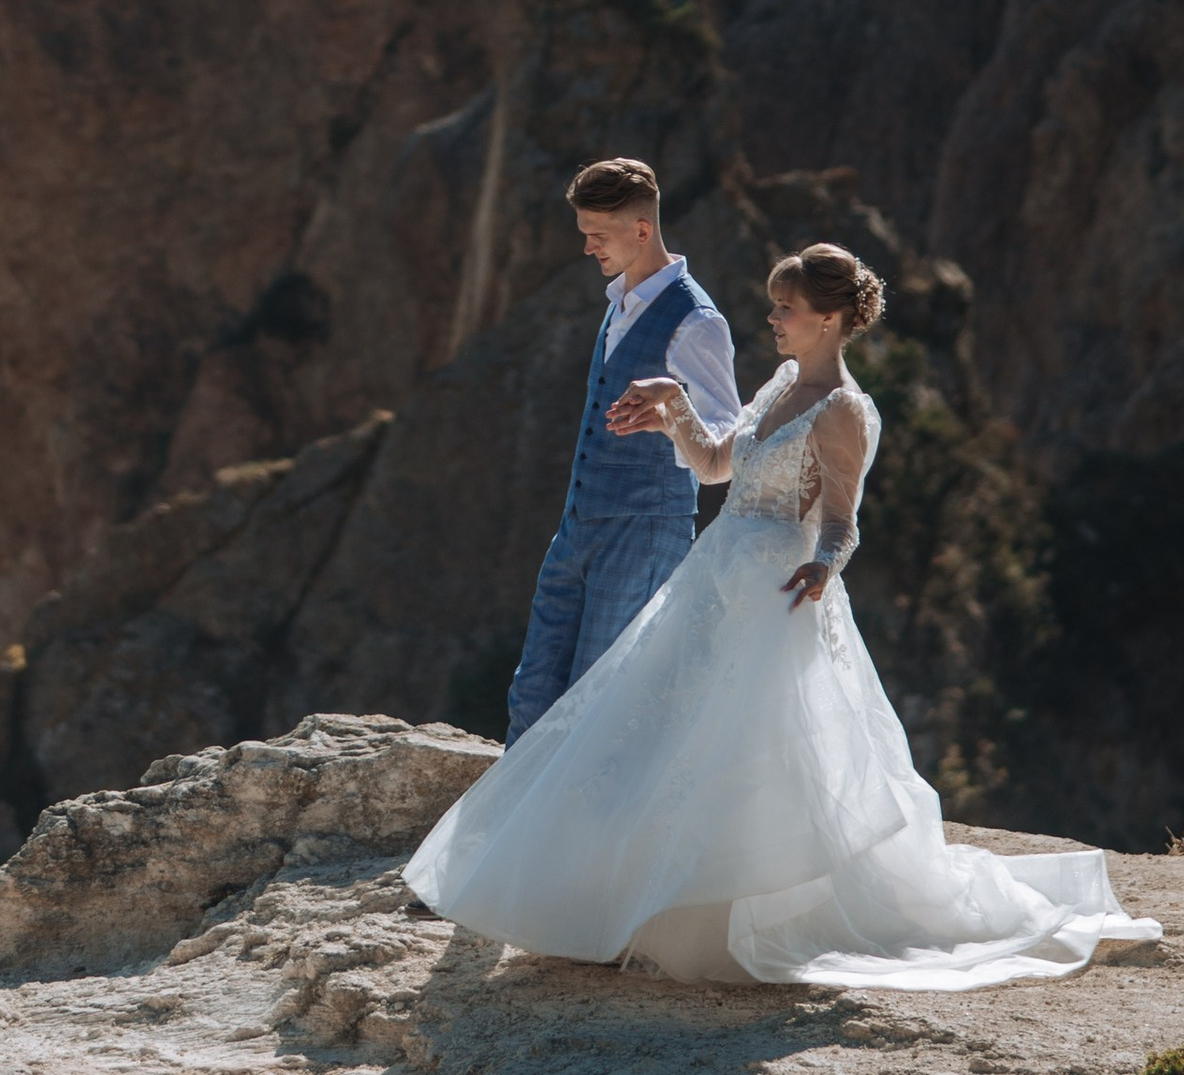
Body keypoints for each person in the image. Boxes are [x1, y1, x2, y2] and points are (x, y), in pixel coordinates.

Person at [406, 242, 1158, 987]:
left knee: (750, 757)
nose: (772, 316)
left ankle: (730, 913)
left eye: (786, 307)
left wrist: (823, 567)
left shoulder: (842, 411)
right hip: (715, 579)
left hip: (776, 595)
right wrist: (673, 404)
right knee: (665, 735)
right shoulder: (777, 386)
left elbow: (842, 521)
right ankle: (626, 903)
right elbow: (712, 465)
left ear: (829, 320)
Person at [503, 158, 740, 745]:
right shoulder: (619, 303)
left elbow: (728, 446)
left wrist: (671, 414)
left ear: (641, 230)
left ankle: (583, 837)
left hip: (644, 532)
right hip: (579, 526)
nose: (587, 248)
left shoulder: (696, 320)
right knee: (533, 689)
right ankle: (511, 834)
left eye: (597, 235)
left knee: (597, 697)